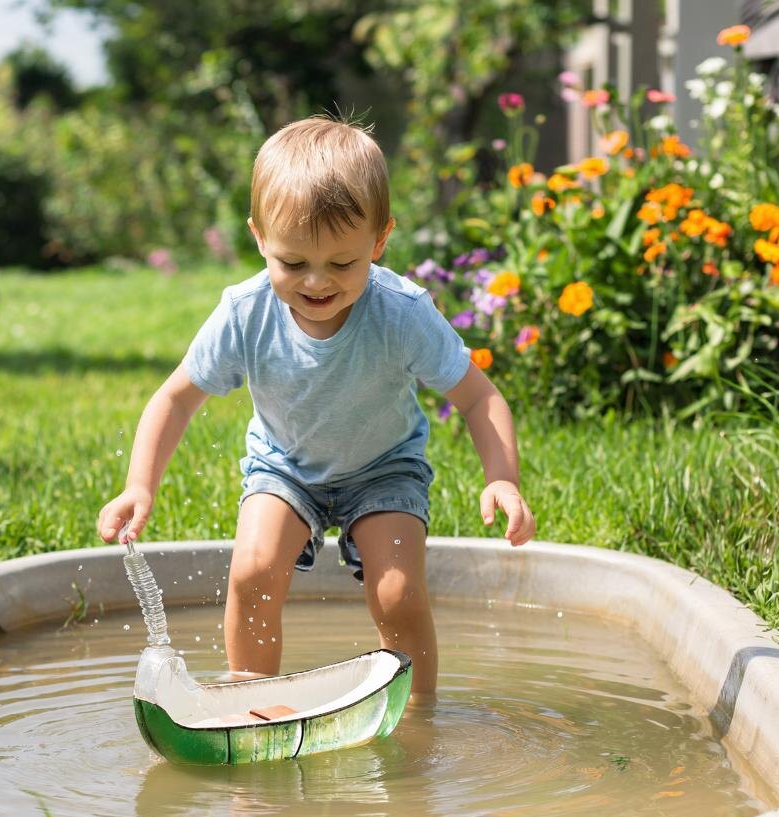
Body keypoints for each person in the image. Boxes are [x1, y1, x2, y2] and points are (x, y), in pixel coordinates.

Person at [97, 115, 535, 701]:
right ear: (259, 238)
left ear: (379, 240)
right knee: (252, 574)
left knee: (397, 593)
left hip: (384, 470)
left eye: (342, 263)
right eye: (293, 263)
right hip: (285, 469)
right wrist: (139, 486)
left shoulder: (400, 313)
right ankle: (250, 702)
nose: (317, 282)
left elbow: (479, 397)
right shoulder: (245, 312)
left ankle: (416, 715)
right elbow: (175, 398)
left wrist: (502, 480)